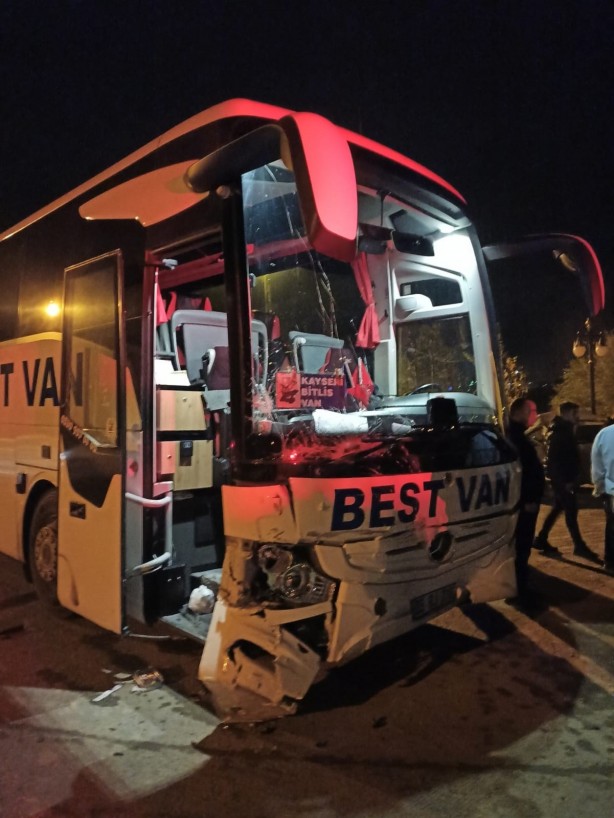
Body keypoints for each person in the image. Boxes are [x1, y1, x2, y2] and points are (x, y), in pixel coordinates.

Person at [534, 401, 599, 561]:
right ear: (568, 413)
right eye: (575, 413)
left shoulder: (563, 430)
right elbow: (555, 461)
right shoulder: (561, 433)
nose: (578, 417)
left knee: (558, 508)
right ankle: (579, 546)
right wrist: (565, 481)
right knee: (571, 511)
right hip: (563, 481)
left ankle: (541, 538)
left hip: (563, 480)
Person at [507, 398, 546, 603]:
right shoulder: (516, 440)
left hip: (523, 502)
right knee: (521, 547)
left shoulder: (516, 437)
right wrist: (530, 498)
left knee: (521, 547)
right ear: (520, 412)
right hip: (524, 504)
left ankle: (518, 587)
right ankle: (518, 591)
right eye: (532, 410)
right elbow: (523, 473)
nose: (535, 414)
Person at [590, 422, 614, 574]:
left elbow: (597, 469)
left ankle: (610, 562)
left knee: (612, 528)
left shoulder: (604, 434)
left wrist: (599, 489)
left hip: (611, 492)